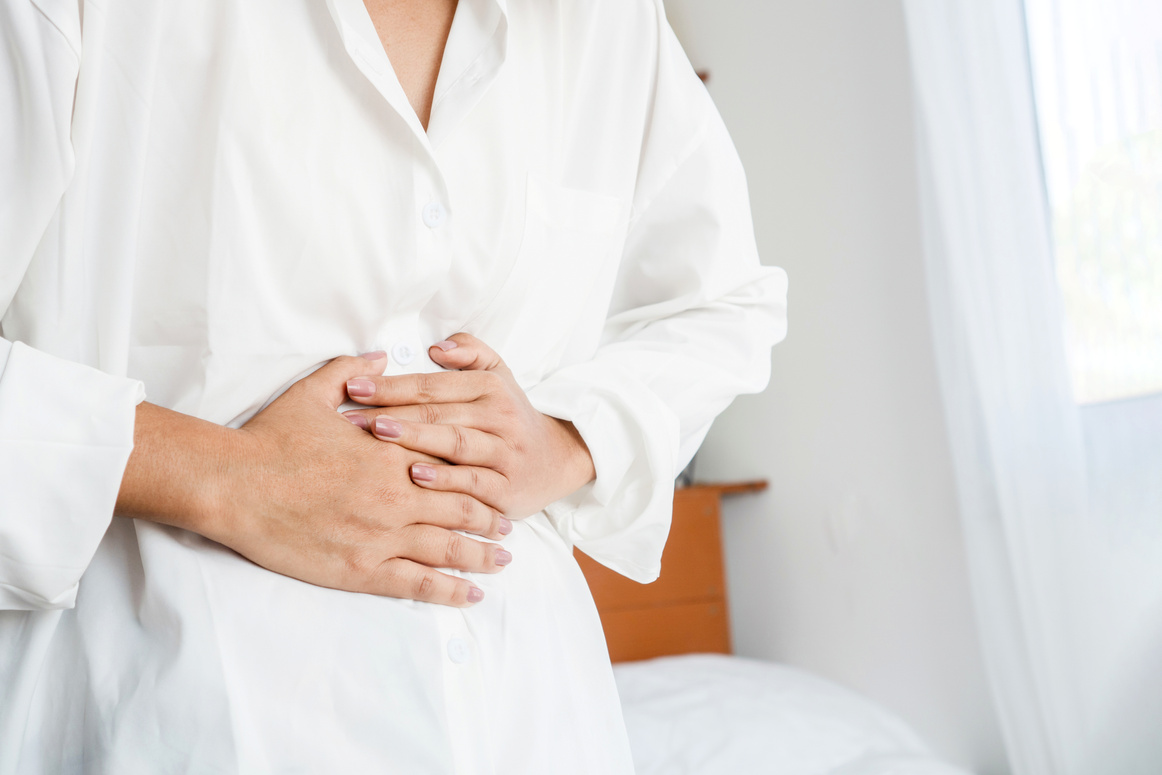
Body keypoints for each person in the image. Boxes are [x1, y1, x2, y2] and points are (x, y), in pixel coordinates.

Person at [0, 0, 787, 772]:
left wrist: (569, 438)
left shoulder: (609, 21)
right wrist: (228, 478)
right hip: (171, 720)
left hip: (533, 721)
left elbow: (721, 305)